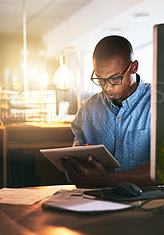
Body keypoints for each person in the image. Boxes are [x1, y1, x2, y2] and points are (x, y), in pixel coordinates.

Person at [62, 35, 154, 187]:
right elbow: (74, 172)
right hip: (98, 200)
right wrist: (79, 164)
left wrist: (110, 179)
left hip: (148, 203)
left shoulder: (157, 105)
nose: (107, 87)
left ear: (134, 67)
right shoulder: (88, 110)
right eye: (100, 79)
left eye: (115, 78)